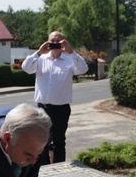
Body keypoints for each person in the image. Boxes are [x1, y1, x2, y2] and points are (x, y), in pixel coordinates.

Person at [21, 31, 88, 164]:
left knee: (59, 140)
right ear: (48, 42)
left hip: (61, 109)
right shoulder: (41, 59)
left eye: (58, 41)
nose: (55, 43)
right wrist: (39, 52)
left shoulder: (69, 60)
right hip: (42, 108)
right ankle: (44, 166)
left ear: (63, 43)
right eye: (52, 41)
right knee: (42, 140)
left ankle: (59, 165)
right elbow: (26, 67)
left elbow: (83, 69)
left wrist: (71, 52)